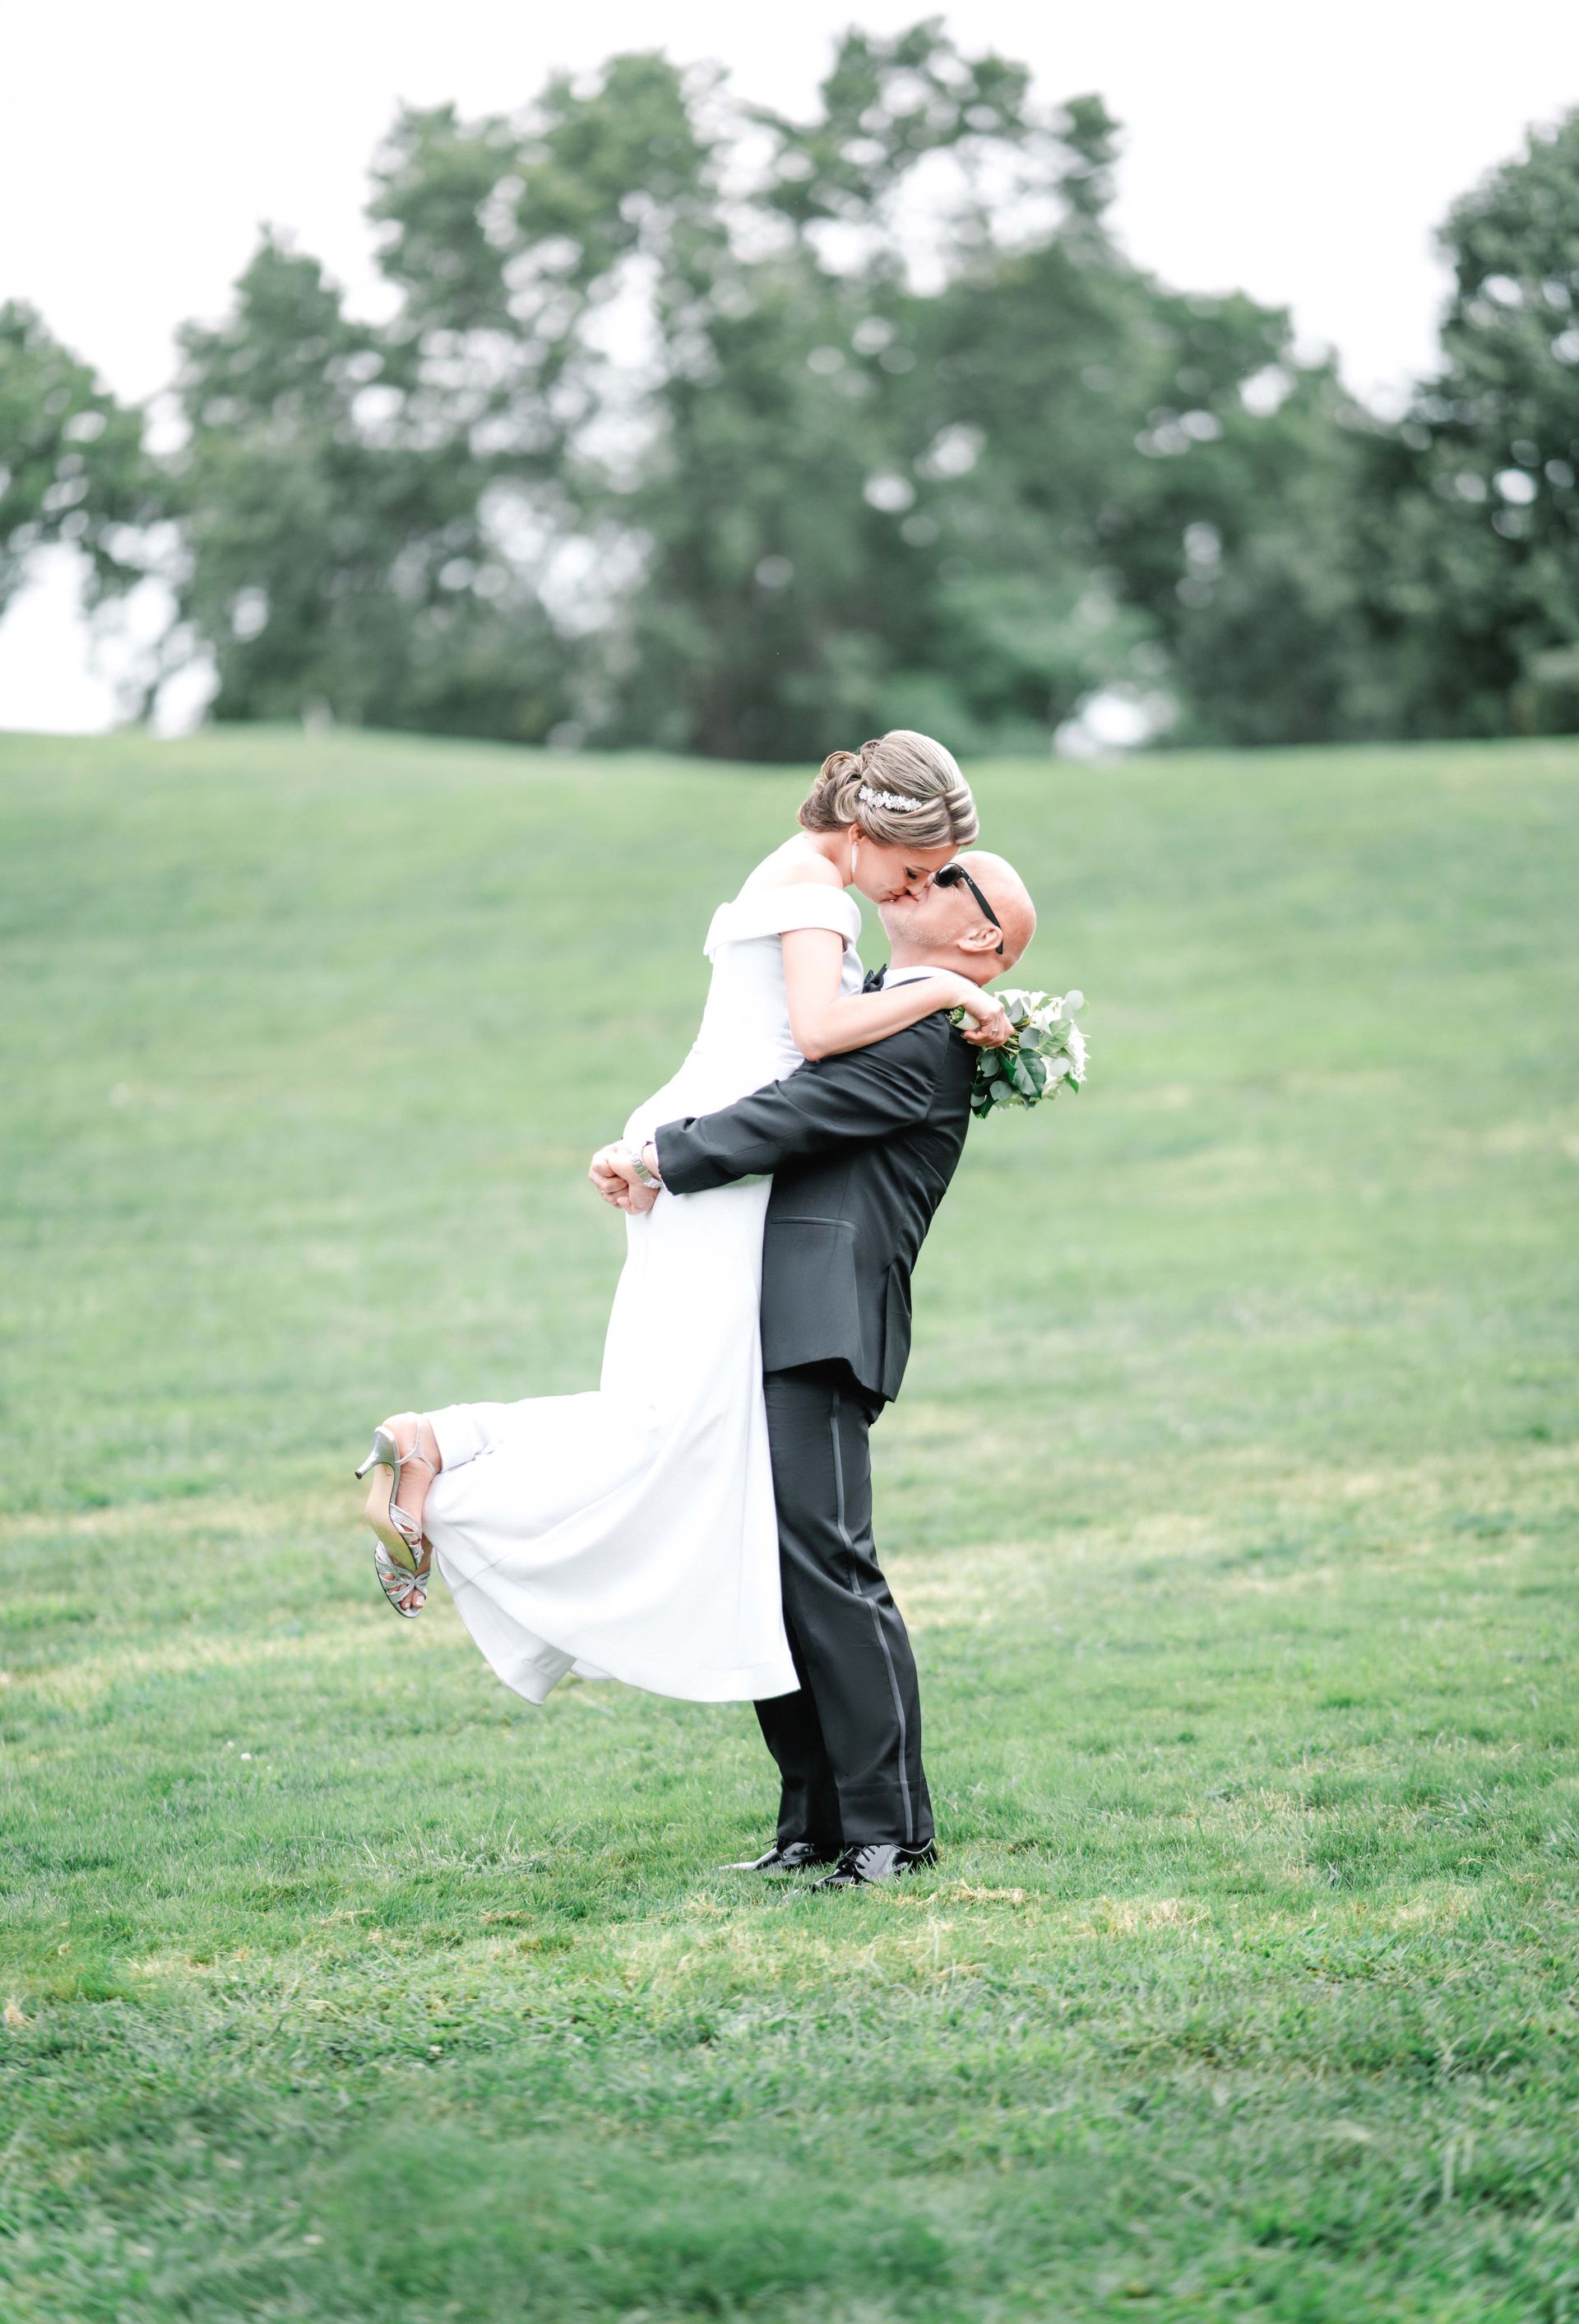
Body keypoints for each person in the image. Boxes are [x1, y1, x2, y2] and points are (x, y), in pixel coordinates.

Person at [354, 731, 1011, 1715]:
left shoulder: (798, 879)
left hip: (705, 1151)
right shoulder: (817, 893)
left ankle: (441, 1440)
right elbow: (823, 1035)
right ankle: (441, 1453)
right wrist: (953, 985)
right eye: (910, 868)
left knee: (666, 1416)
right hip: (713, 1162)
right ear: (869, 828)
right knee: (672, 1426)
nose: (901, 895)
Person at [596, 850, 1036, 1887]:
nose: (916, 877)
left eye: (944, 877)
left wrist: (663, 1154)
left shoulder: (930, 1033)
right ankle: (812, 1823)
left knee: (828, 1566)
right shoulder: (883, 1003)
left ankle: (895, 1829)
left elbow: (793, 1114)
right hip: (751, 1312)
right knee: (765, 1564)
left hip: (821, 1319)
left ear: (981, 938)